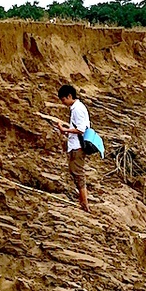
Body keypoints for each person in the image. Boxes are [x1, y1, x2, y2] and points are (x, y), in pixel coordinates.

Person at [56, 84, 91, 212]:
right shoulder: (76, 108)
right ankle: (82, 201)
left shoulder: (77, 109)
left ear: (69, 96)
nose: (63, 103)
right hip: (75, 145)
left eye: (64, 100)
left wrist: (65, 129)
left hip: (78, 146)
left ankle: (84, 203)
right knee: (74, 171)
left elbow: (81, 129)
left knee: (78, 173)